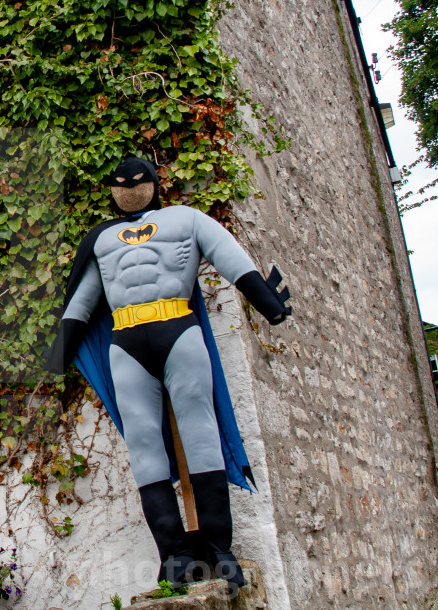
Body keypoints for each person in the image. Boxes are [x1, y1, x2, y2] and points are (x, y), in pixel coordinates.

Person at [48, 156, 291, 588]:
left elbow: (233, 261)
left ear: (155, 183)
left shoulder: (187, 219)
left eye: (136, 181)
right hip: (126, 340)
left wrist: (269, 304)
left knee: (201, 433)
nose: (129, 185)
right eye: (120, 182)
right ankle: (174, 555)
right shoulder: (101, 239)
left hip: (178, 328)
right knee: (142, 444)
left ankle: (219, 548)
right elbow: (82, 302)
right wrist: (57, 356)